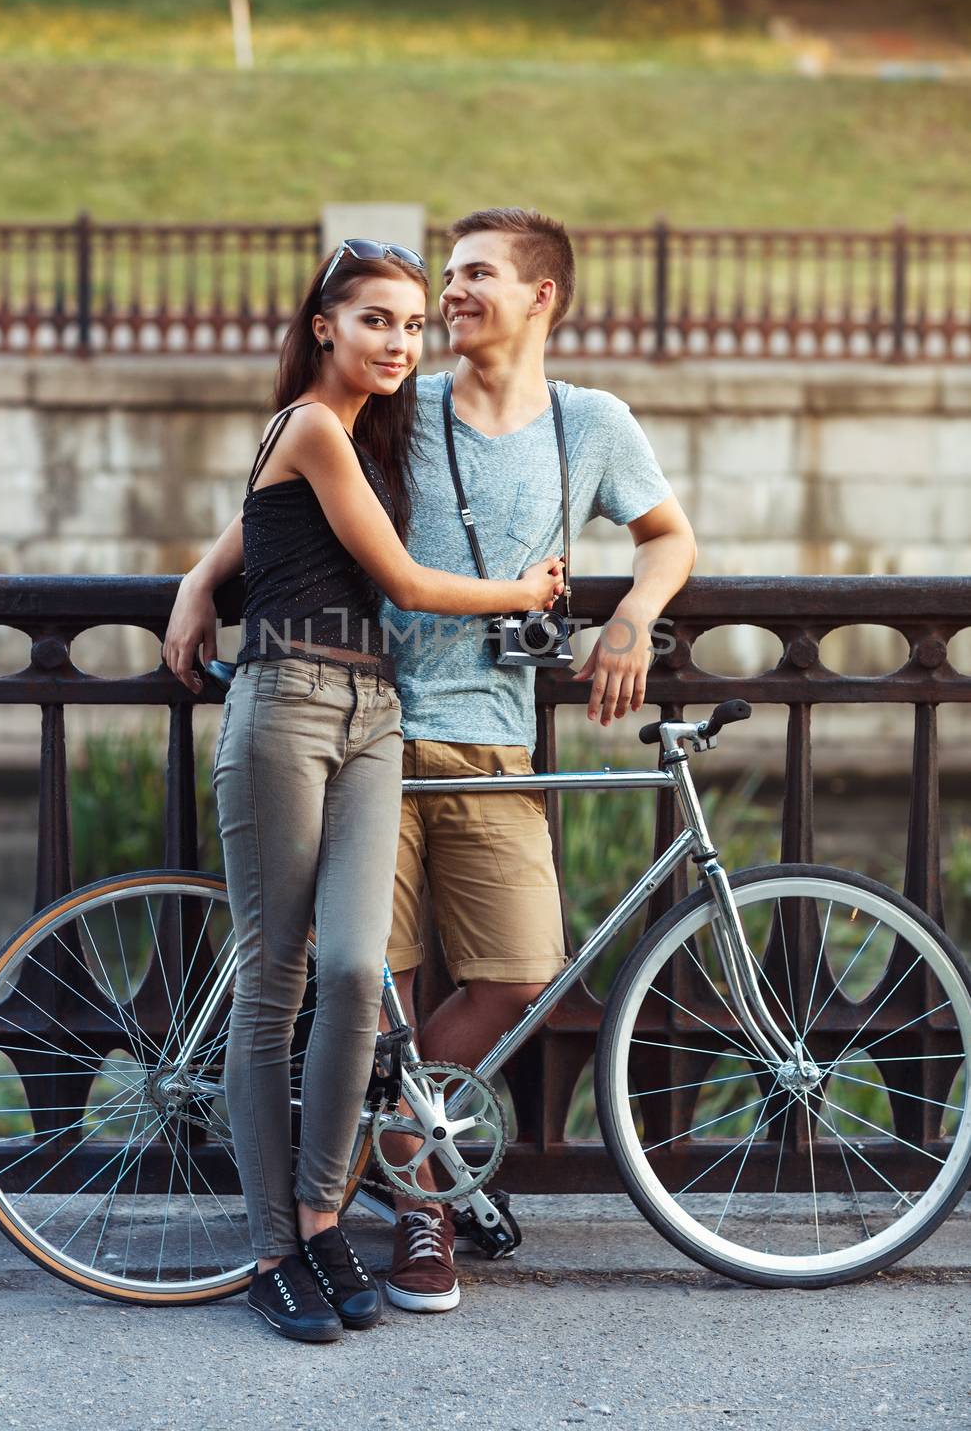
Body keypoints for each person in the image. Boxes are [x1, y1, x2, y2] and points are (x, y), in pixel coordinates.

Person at [162, 239, 563, 1345]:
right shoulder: (308, 424)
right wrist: (524, 591)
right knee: (275, 977)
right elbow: (407, 580)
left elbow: (259, 527)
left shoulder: (366, 432)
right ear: (324, 325)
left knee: (353, 971)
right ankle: (273, 1249)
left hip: (375, 712)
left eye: (411, 323)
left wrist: (201, 577)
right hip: (286, 702)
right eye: (376, 319)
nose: (399, 339)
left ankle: (328, 1212)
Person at [378, 208, 696, 1315]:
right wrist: (195, 582)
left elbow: (668, 535)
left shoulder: (591, 422)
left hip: (495, 738)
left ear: (541, 295)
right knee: (380, 976)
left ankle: (375, 1124)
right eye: (447, 272)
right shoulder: (400, 401)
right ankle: (422, 1208)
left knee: (520, 968)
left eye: (474, 274)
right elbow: (291, 487)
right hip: (367, 726)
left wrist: (634, 616)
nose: (450, 291)